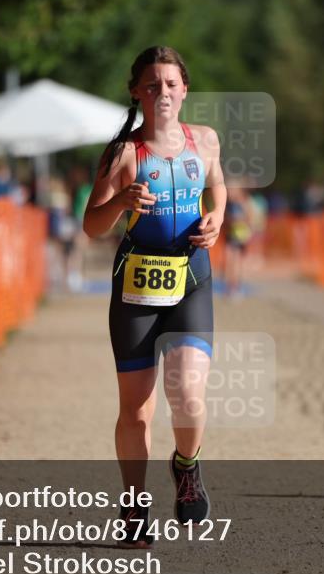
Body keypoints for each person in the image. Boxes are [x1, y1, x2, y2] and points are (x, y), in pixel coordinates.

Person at [83, 46, 226, 548]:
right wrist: (121, 201)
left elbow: (218, 186)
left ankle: (186, 466)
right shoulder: (122, 153)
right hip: (136, 288)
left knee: (187, 395)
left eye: (170, 83)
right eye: (152, 85)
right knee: (137, 408)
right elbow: (91, 225)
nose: (162, 92)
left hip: (191, 280)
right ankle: (134, 504)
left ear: (184, 89)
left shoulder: (205, 140)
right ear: (136, 92)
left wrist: (217, 217)